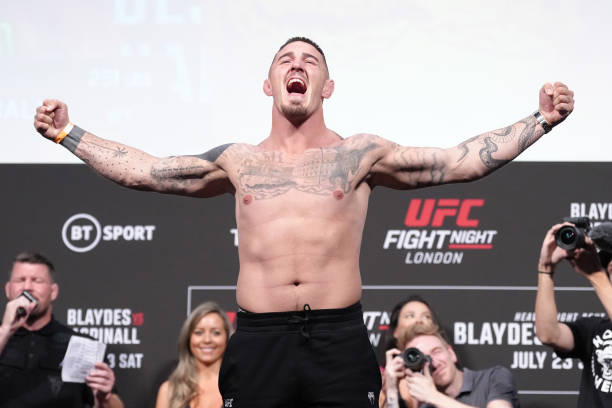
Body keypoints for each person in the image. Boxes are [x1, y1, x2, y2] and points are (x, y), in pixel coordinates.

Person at [33, 36, 574, 407]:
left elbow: (459, 160)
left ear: (327, 87)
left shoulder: (361, 154)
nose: (297, 66)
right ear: (268, 84)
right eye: (285, 60)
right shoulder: (238, 161)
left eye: (310, 61)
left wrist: (541, 120)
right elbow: (146, 172)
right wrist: (68, 134)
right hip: (259, 338)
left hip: (337, 338)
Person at [0, 252, 123, 408]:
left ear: (54, 292)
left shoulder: (81, 344)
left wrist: (105, 397)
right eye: (20, 280)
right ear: (8, 289)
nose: (27, 287)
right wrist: (5, 330)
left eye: (37, 280)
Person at [535, 222, 612, 407]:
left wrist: (596, 275)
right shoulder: (595, 329)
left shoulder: (599, 277)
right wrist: (546, 269)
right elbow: (548, 334)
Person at [383, 323, 519, 408]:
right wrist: (392, 391)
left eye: (436, 351)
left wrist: (434, 397)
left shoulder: (492, 378)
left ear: (451, 353)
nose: (433, 362)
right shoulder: (427, 404)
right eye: (423, 358)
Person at [155, 301, 232, 408]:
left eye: (216, 333)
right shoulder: (169, 391)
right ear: (188, 338)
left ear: (227, 338)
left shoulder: (240, 388)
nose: (207, 340)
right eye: (199, 332)